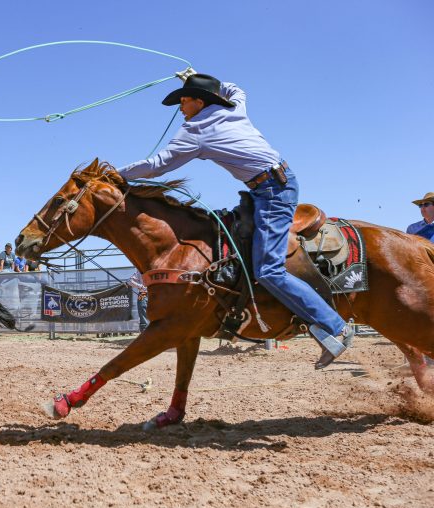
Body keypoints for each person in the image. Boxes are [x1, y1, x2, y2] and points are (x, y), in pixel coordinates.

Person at [118, 71, 354, 369]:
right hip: (273, 185)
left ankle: (335, 327)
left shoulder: (196, 131)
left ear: (199, 102)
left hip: (270, 191)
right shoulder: (233, 107)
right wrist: (196, 78)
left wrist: (116, 175)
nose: (181, 107)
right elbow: (236, 89)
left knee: (269, 270)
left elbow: (157, 165)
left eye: (185, 99)